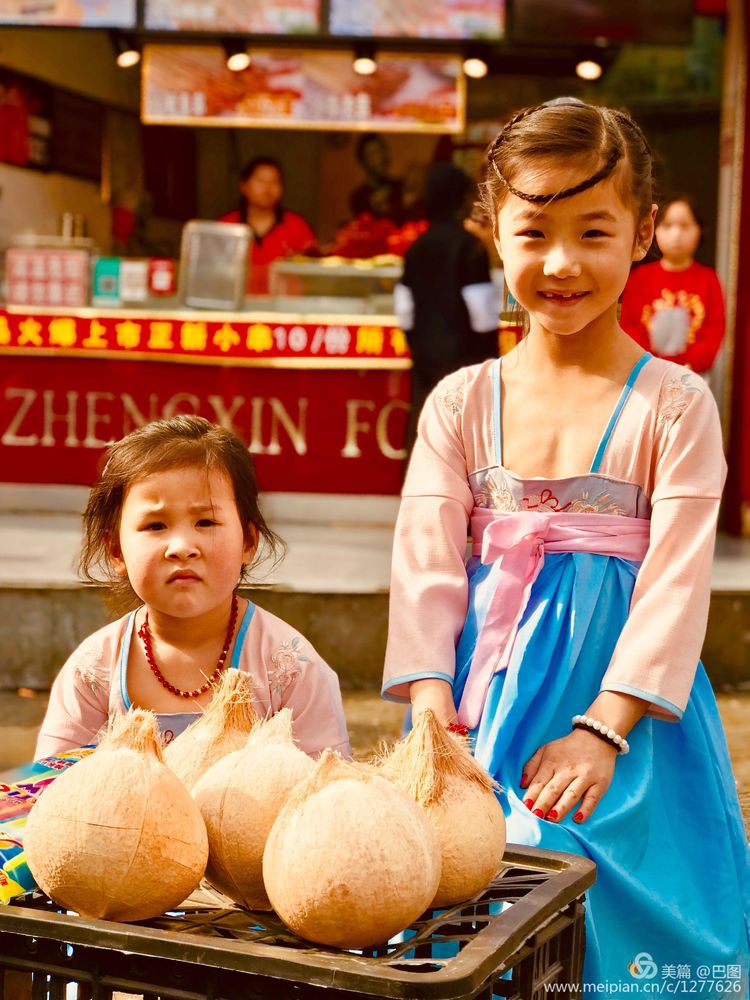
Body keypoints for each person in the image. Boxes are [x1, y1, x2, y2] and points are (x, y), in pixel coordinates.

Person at [382, 100, 750, 989]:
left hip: (626, 725)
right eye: (534, 231)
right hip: (475, 719)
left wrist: (600, 732)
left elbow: (674, 583)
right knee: (465, 927)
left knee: (645, 946)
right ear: (493, 235)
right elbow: (426, 567)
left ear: (642, 234)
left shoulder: (675, 405)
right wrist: (433, 715)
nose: (560, 263)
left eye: (593, 231)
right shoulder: (461, 402)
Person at [35, 415, 350, 760]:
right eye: (156, 525)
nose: (182, 546)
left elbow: (325, 788)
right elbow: (48, 790)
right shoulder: (94, 671)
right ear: (115, 551)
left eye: (205, 521)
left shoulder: (290, 669)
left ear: (248, 541)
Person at [394, 161, 499, 453]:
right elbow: (481, 313)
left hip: (425, 358)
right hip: (466, 358)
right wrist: (490, 353)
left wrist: (418, 343)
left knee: (423, 426)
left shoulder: (417, 247)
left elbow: (404, 308)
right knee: (464, 436)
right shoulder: (470, 247)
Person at [620, 195, 725, 373]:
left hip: (693, 375)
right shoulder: (639, 278)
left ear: (699, 230)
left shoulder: (708, 280)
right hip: (646, 372)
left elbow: (714, 330)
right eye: (668, 225)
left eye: (684, 226)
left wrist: (689, 365)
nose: (676, 234)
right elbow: (629, 327)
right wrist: (651, 363)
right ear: (654, 230)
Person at [220, 157, 316, 295]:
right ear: (244, 186)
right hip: (236, 308)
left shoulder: (298, 227)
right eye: (260, 181)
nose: (268, 188)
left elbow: (311, 277)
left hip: (283, 310)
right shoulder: (225, 226)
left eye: (275, 182)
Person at [349, 133, 404, 223]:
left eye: (381, 151)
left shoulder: (400, 187)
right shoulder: (358, 197)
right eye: (372, 154)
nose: (380, 157)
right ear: (363, 161)